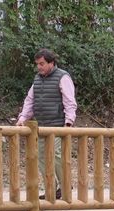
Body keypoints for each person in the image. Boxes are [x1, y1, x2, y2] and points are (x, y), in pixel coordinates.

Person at [15, 48, 79, 201]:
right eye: (37, 64)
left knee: (56, 155)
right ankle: (52, 186)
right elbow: (30, 101)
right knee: (42, 157)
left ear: (51, 63)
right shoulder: (37, 79)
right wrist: (22, 118)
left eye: (42, 63)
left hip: (58, 125)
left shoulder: (63, 77)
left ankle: (65, 185)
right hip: (41, 125)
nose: (39, 67)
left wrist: (69, 123)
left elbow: (70, 102)